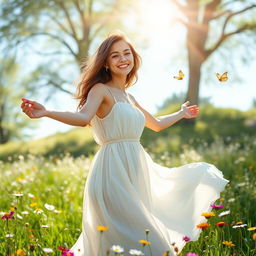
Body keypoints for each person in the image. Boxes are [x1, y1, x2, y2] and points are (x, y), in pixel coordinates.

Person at [21, 32, 229, 256]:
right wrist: (47, 112)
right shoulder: (100, 90)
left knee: (138, 239)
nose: (123, 59)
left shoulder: (129, 97)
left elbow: (156, 124)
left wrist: (181, 113)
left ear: (134, 58)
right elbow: (82, 118)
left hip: (137, 169)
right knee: (147, 241)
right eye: (115, 56)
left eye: (127, 53)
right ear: (107, 63)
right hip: (112, 171)